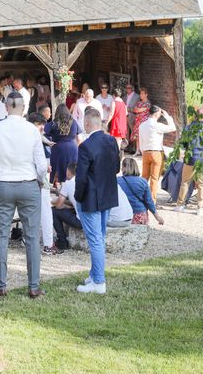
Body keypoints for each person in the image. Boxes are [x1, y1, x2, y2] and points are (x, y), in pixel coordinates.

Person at [0, 92, 47, 299]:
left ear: (7, 107)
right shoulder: (32, 130)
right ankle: (33, 286)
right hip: (27, 183)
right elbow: (42, 165)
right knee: (32, 236)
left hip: (3, 183)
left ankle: (1, 285)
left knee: (1, 236)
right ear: (24, 107)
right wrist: (36, 177)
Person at [74, 108, 120, 294]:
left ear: (86, 123)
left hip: (91, 197)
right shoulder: (111, 141)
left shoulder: (85, 146)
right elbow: (116, 167)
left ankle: (99, 282)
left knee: (95, 240)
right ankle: (95, 274)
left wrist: (77, 197)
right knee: (99, 237)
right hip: (107, 194)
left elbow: (81, 177)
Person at [174, 108, 203, 216]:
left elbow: (183, 144)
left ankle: (180, 205)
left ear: (194, 116)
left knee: (185, 182)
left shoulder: (188, 128)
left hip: (191, 158)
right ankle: (200, 208)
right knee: (201, 184)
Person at [30, 112, 61, 255]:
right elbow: (42, 166)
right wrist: (43, 175)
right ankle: (48, 244)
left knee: (30, 211)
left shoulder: (26, 136)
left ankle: (30, 239)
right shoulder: (35, 138)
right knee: (45, 211)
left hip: (24, 178)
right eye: (41, 127)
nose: (43, 130)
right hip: (38, 180)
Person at [138, 105, 176, 201]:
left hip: (146, 152)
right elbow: (173, 128)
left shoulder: (142, 125)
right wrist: (167, 117)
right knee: (154, 179)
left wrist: (143, 151)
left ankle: (140, 197)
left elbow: (140, 141)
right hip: (156, 152)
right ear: (156, 114)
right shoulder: (156, 125)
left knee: (144, 177)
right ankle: (152, 200)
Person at [118, 157, 163, 225]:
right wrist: (157, 217)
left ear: (124, 167)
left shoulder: (117, 181)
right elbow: (149, 201)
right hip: (139, 214)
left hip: (123, 214)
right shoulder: (143, 182)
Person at [45, 104, 81, 185]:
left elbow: (45, 132)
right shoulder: (74, 122)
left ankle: (59, 187)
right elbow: (78, 137)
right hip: (72, 148)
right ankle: (71, 187)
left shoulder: (54, 123)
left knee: (58, 169)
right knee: (72, 169)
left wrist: (50, 141)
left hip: (58, 148)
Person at [52, 163, 81, 250]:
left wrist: (64, 206)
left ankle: (62, 241)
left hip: (81, 221)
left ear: (68, 172)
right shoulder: (85, 181)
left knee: (53, 211)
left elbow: (58, 205)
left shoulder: (68, 184)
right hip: (91, 218)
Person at [130, 87, 151, 155]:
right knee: (137, 136)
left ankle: (143, 151)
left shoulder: (148, 103)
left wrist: (138, 109)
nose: (140, 95)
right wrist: (137, 109)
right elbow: (135, 110)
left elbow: (139, 110)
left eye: (142, 94)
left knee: (143, 136)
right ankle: (137, 150)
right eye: (140, 94)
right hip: (138, 121)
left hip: (144, 122)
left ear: (146, 94)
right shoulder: (139, 102)